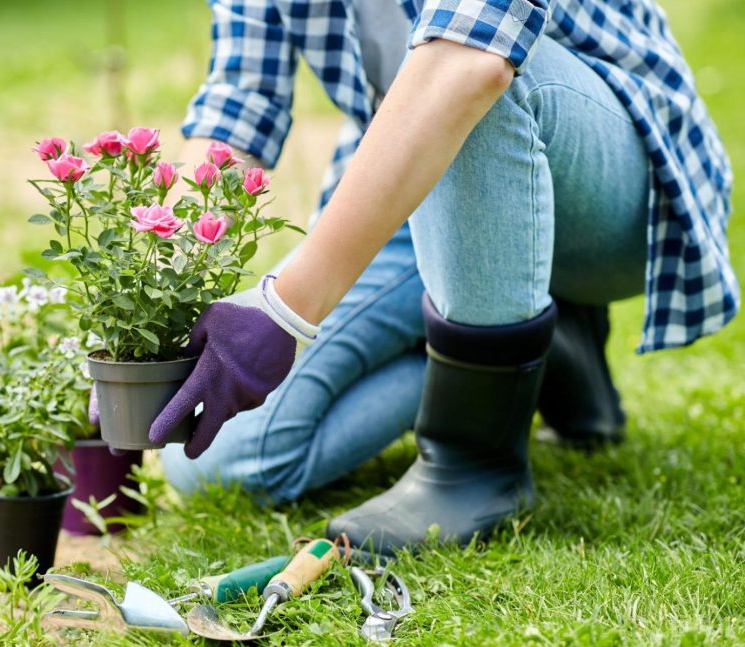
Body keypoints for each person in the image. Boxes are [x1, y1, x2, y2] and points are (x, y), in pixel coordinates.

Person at [153, 0, 737, 557]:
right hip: (430, 187)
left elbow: (470, 60)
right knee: (220, 458)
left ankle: (472, 464)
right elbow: (239, 105)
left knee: (472, 69)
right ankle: (535, 341)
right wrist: (156, 314)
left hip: (612, 175)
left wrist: (284, 311)